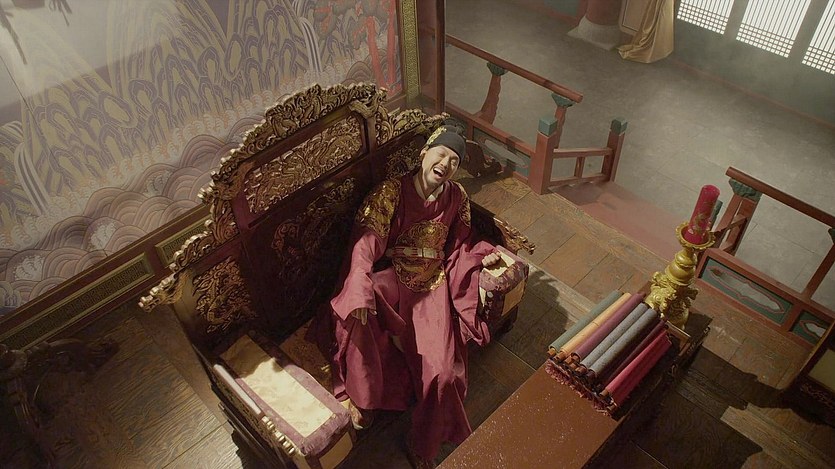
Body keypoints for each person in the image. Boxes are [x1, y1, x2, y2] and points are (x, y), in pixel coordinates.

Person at [326, 123, 500, 468]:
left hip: (431, 282)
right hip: (393, 273)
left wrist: (480, 254)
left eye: (454, 160)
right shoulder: (391, 191)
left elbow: (460, 243)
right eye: (441, 154)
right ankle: (365, 397)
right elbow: (366, 240)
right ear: (423, 154)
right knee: (363, 304)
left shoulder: (457, 197)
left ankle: (423, 443)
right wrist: (358, 282)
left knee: (444, 374)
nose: (446, 163)